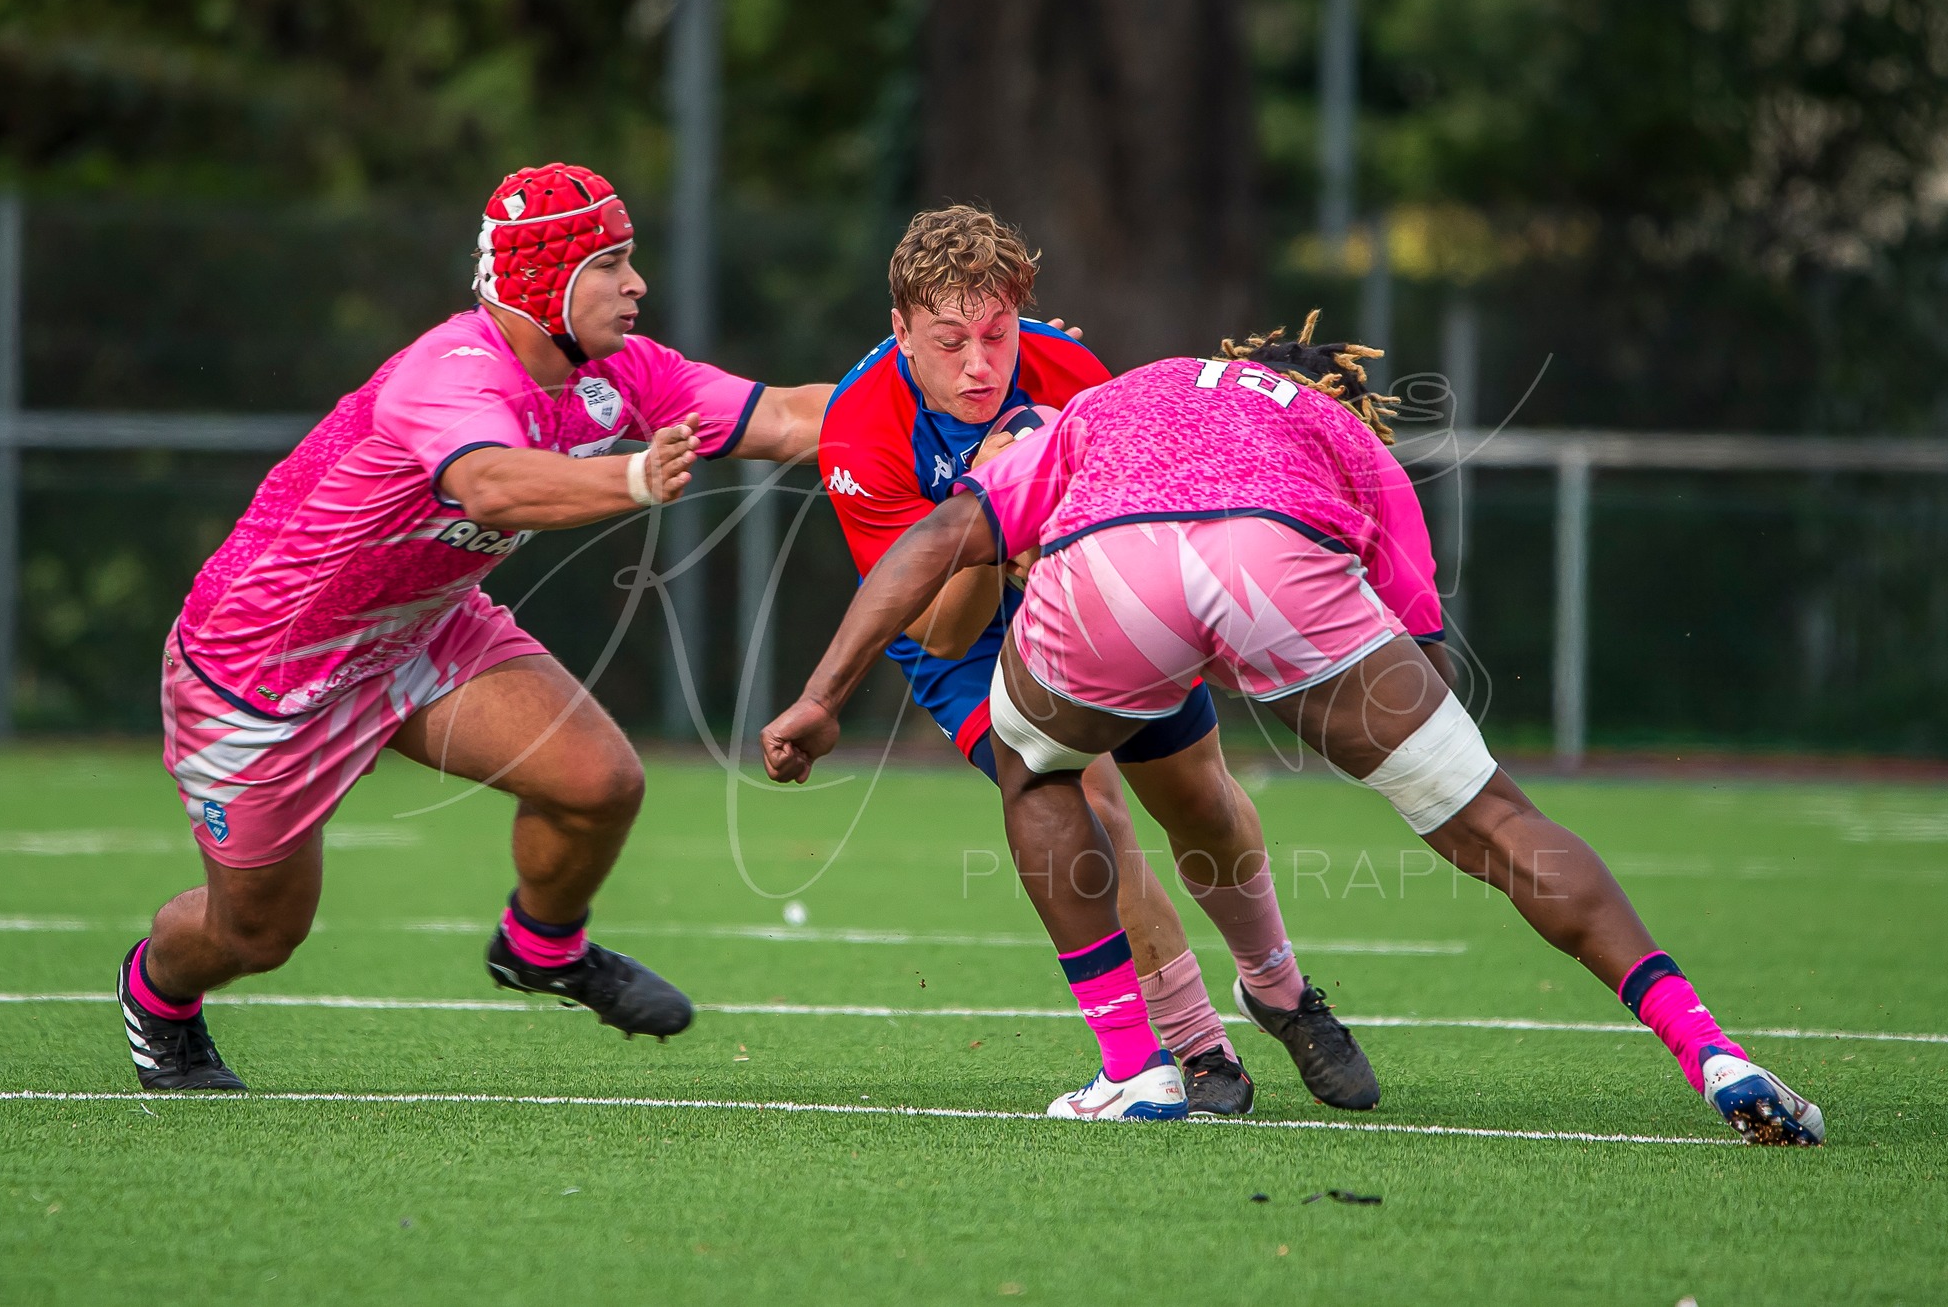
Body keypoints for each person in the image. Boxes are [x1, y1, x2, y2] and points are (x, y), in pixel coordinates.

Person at [765, 316, 1825, 1143]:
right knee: (1496, 819)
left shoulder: (1133, 387)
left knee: (1036, 771)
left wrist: (821, 697)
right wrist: (1418, 770)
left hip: (1109, 573)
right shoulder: (1342, 435)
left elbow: (948, 533)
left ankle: (1134, 1070)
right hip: (1276, 563)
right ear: (1335, 391)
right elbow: (1424, 645)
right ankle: (1711, 1053)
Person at [118, 163, 832, 1090]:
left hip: (418, 630)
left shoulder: (621, 371)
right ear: (544, 282)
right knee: (256, 933)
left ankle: (542, 948)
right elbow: (489, 482)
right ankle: (157, 997)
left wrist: (940, 402)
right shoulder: (449, 371)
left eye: (631, 260)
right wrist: (630, 480)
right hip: (264, 672)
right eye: (611, 263)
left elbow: (784, 417)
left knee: (599, 781)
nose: (636, 284)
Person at [817, 210, 1378, 1117]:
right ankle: (1193, 1050)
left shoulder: (1073, 371)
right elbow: (944, 632)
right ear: (900, 333)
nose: (977, 365)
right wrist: (991, 513)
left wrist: (1049, 535)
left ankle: (1277, 988)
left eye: (996, 335)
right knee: (1086, 797)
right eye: (948, 341)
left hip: (1081, 585)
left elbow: (1132, 511)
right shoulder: (858, 431)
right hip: (957, 629)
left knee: (1197, 793)